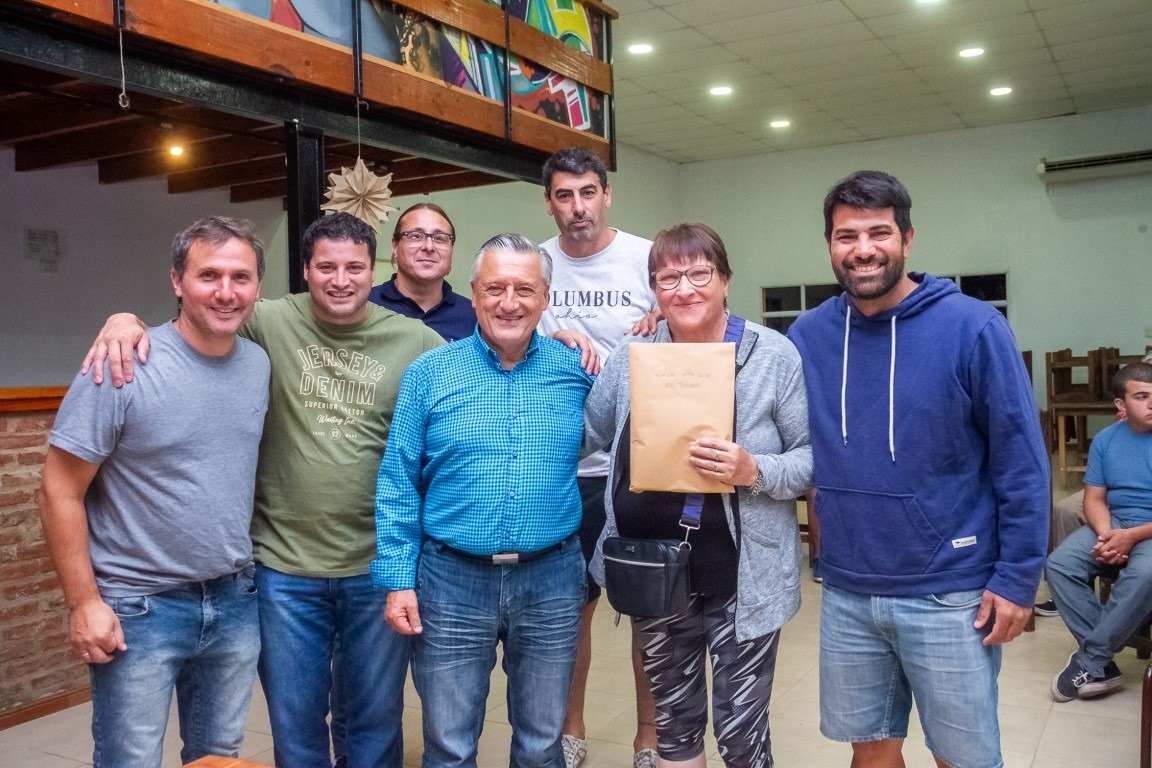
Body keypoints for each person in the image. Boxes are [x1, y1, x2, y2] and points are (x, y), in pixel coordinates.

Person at [82, 211, 444, 768]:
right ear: (305, 271)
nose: (340, 280)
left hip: (377, 567)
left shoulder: (415, 340)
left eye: (354, 268)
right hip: (281, 570)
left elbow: (476, 369)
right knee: (295, 724)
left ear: (375, 271)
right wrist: (123, 319)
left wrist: (561, 337)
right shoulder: (268, 321)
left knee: (374, 719)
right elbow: (200, 317)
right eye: (326, 267)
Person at [787, 170, 1049, 768]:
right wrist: (658, 323)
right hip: (849, 588)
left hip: (951, 591)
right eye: (846, 236)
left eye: (878, 233)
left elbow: (1022, 466)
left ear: (907, 238)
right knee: (870, 752)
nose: (863, 249)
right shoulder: (809, 335)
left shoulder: (974, 328)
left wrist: (1017, 579)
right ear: (829, 245)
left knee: (963, 758)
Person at [40, 217, 270, 768]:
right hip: (139, 608)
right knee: (130, 761)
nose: (225, 291)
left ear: (257, 287)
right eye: (208, 275)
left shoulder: (258, 364)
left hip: (234, 599)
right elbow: (58, 490)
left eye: (240, 277)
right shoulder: (121, 365)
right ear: (176, 281)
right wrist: (84, 603)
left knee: (218, 760)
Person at [584, 222, 813, 768]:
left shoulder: (771, 356)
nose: (684, 289)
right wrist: (554, 356)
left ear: (725, 279)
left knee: (742, 735)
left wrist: (754, 468)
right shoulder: (632, 356)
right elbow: (587, 433)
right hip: (654, 571)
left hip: (744, 578)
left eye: (699, 274)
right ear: (654, 290)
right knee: (674, 729)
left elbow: (810, 460)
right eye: (668, 279)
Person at [373, 234, 593, 767]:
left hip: (551, 580)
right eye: (495, 288)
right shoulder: (430, 374)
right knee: (449, 746)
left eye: (524, 289)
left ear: (545, 298)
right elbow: (398, 480)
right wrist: (398, 579)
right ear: (473, 294)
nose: (509, 302)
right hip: (450, 582)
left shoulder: (576, 372)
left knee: (542, 743)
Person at [538, 146, 660, 768]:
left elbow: (691, 316)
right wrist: (548, 337)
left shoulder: (645, 257)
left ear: (606, 194)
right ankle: (571, 727)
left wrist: (662, 316)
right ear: (549, 203)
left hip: (642, 465)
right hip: (570, 467)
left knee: (649, 612)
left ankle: (650, 736)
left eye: (588, 192)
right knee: (571, 613)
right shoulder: (534, 262)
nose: (578, 207)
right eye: (565, 195)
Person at [1047, 362, 1152, 701]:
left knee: (1145, 574)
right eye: (1142, 397)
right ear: (1121, 404)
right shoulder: (1107, 440)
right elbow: (1094, 498)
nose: (1151, 404)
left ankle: (1091, 659)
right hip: (1116, 521)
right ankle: (1103, 664)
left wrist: (1131, 537)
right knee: (1060, 565)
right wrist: (1108, 535)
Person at [368, 202, 476, 341]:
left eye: (440, 238)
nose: (429, 247)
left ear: (452, 250)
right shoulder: (366, 306)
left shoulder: (473, 317)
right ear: (395, 246)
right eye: (416, 236)